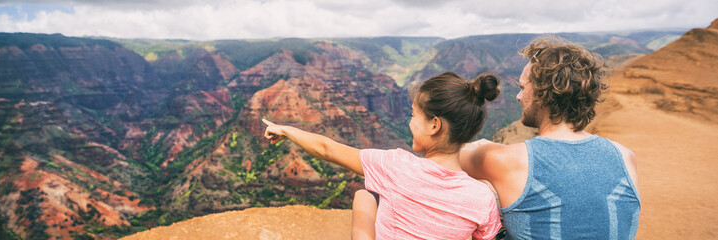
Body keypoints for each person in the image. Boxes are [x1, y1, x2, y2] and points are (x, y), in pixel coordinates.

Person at [263, 72, 502, 240]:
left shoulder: (395, 166)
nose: (409, 122)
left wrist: (286, 130)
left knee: (364, 196)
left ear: (434, 125)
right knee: (365, 196)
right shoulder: (482, 198)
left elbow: (327, 149)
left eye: (413, 115)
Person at [459, 37, 641, 239]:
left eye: (522, 87)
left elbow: (448, 156)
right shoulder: (626, 157)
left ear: (542, 93)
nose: (518, 97)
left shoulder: (504, 161)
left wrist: (486, 146)